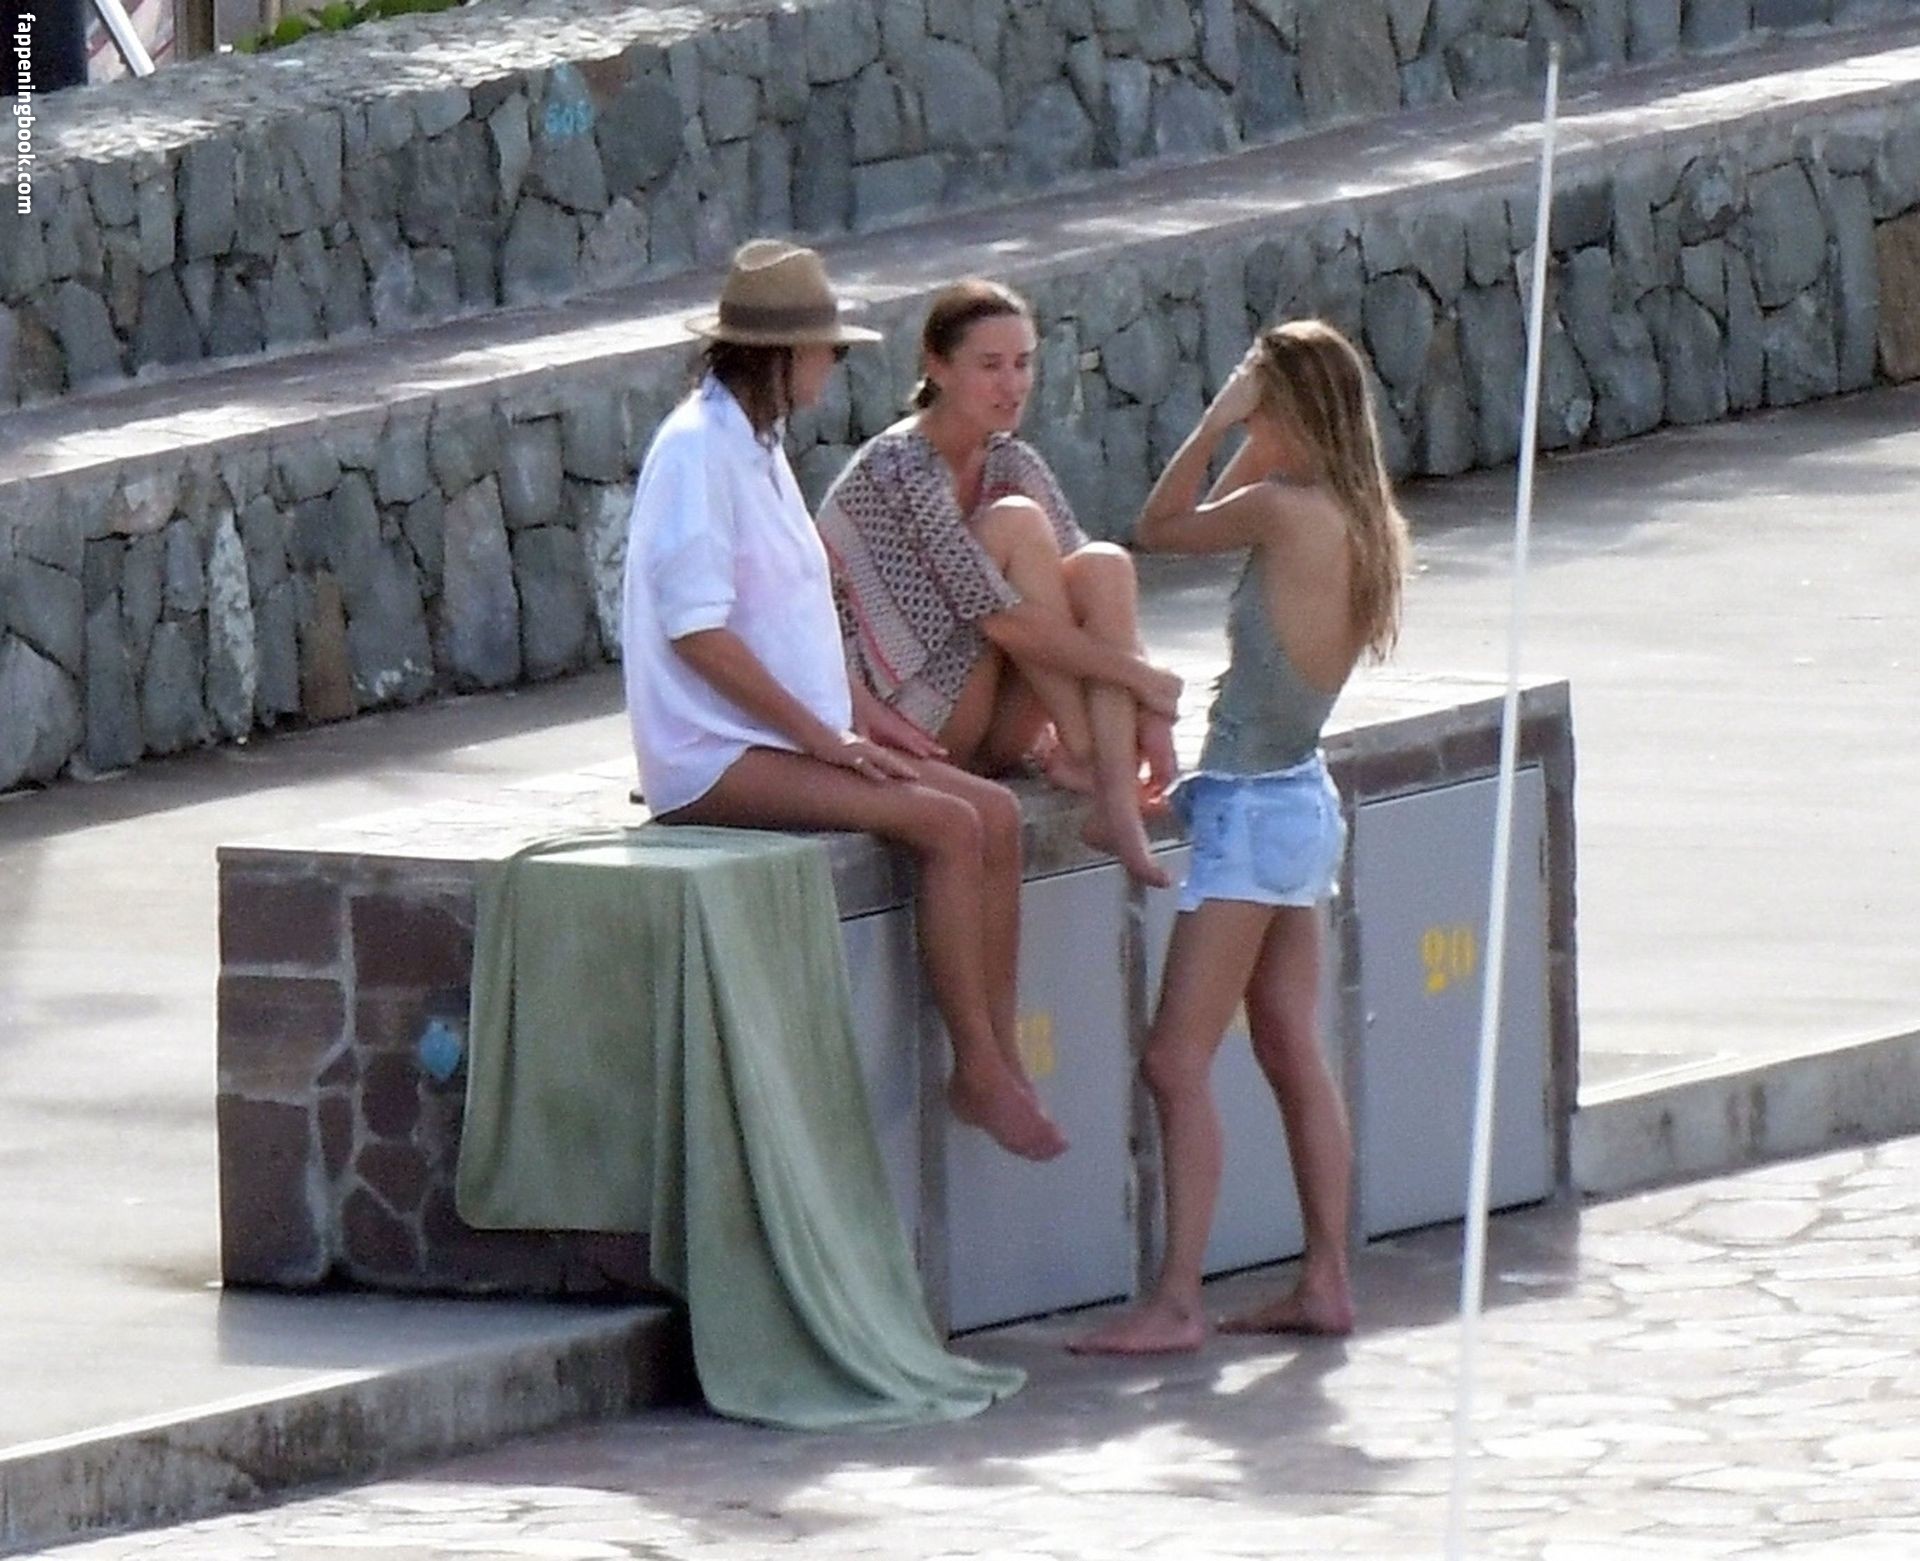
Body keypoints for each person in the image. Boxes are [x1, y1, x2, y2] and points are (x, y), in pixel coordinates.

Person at [621, 239, 1067, 1163]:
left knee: (992, 811)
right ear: (781, 355)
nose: (834, 364)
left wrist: (865, 715)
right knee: (947, 826)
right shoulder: (697, 451)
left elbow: (797, 621)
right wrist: (823, 738)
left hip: (786, 736)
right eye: (826, 349)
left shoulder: (756, 445)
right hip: (714, 756)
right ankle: (976, 1065)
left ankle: (1000, 1056)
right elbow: (697, 631)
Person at [1071, 320, 1411, 1353]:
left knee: (1176, 1060)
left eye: (1263, 396)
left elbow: (1158, 523)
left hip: (1256, 812)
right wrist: (1263, 426)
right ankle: (1325, 1278)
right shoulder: (1355, 514)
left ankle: (1178, 1299)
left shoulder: (1284, 510)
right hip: (1293, 798)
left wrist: (1224, 418)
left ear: (1287, 405)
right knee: (1289, 1045)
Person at [815, 279, 1183, 889]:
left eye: (1023, 363)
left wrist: (1155, 716)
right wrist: (1141, 680)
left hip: (992, 721)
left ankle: (1108, 794)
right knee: (1017, 524)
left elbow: (1094, 602)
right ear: (937, 367)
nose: (1012, 385)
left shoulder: (1010, 459)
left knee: (1104, 563)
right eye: (990, 366)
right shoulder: (897, 467)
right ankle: (1092, 759)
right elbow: (1002, 621)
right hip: (909, 723)